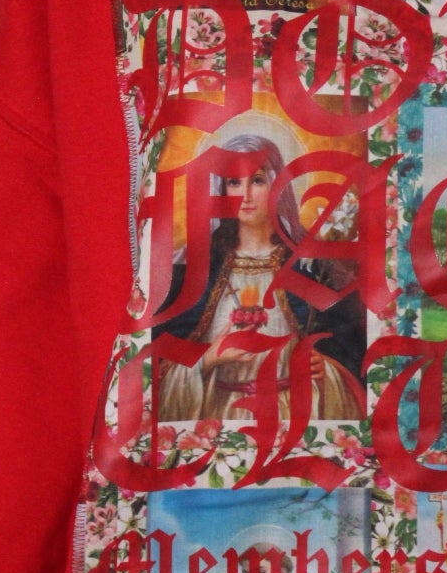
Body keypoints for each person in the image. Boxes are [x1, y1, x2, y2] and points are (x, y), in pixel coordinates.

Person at [153, 130, 366, 423]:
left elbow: (351, 342)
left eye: (257, 180)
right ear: (221, 190)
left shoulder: (310, 264)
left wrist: (325, 365)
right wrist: (209, 358)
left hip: (292, 414)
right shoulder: (197, 268)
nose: (245, 196)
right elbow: (157, 361)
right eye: (234, 182)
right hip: (217, 415)